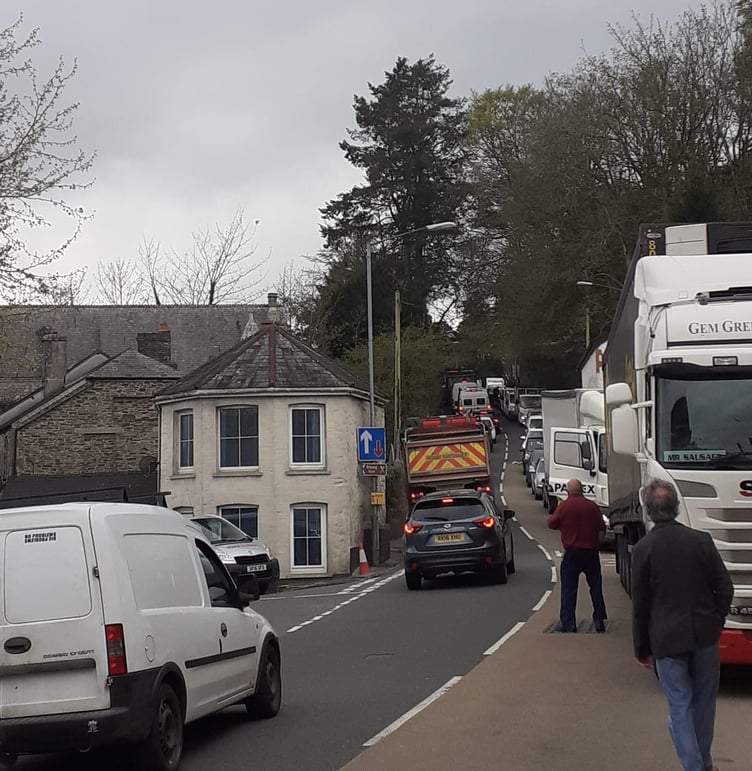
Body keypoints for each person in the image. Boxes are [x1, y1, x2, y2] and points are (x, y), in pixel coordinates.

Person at [632, 479, 733, 771]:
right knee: (704, 705)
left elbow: (641, 606)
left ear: (649, 511)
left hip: (666, 640)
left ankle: (694, 766)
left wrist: (642, 649)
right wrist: (716, 620)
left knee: (680, 706)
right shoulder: (701, 541)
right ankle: (703, 763)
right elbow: (724, 587)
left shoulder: (643, 549)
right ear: (676, 507)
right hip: (705, 635)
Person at [547, 479, 607, 633]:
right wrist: (597, 544)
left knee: (568, 588)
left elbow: (551, 523)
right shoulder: (592, 507)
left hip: (572, 553)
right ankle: (599, 620)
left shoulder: (564, 507)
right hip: (591, 552)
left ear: (568, 491)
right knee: (595, 588)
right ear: (582, 490)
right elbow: (601, 530)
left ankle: (569, 623)